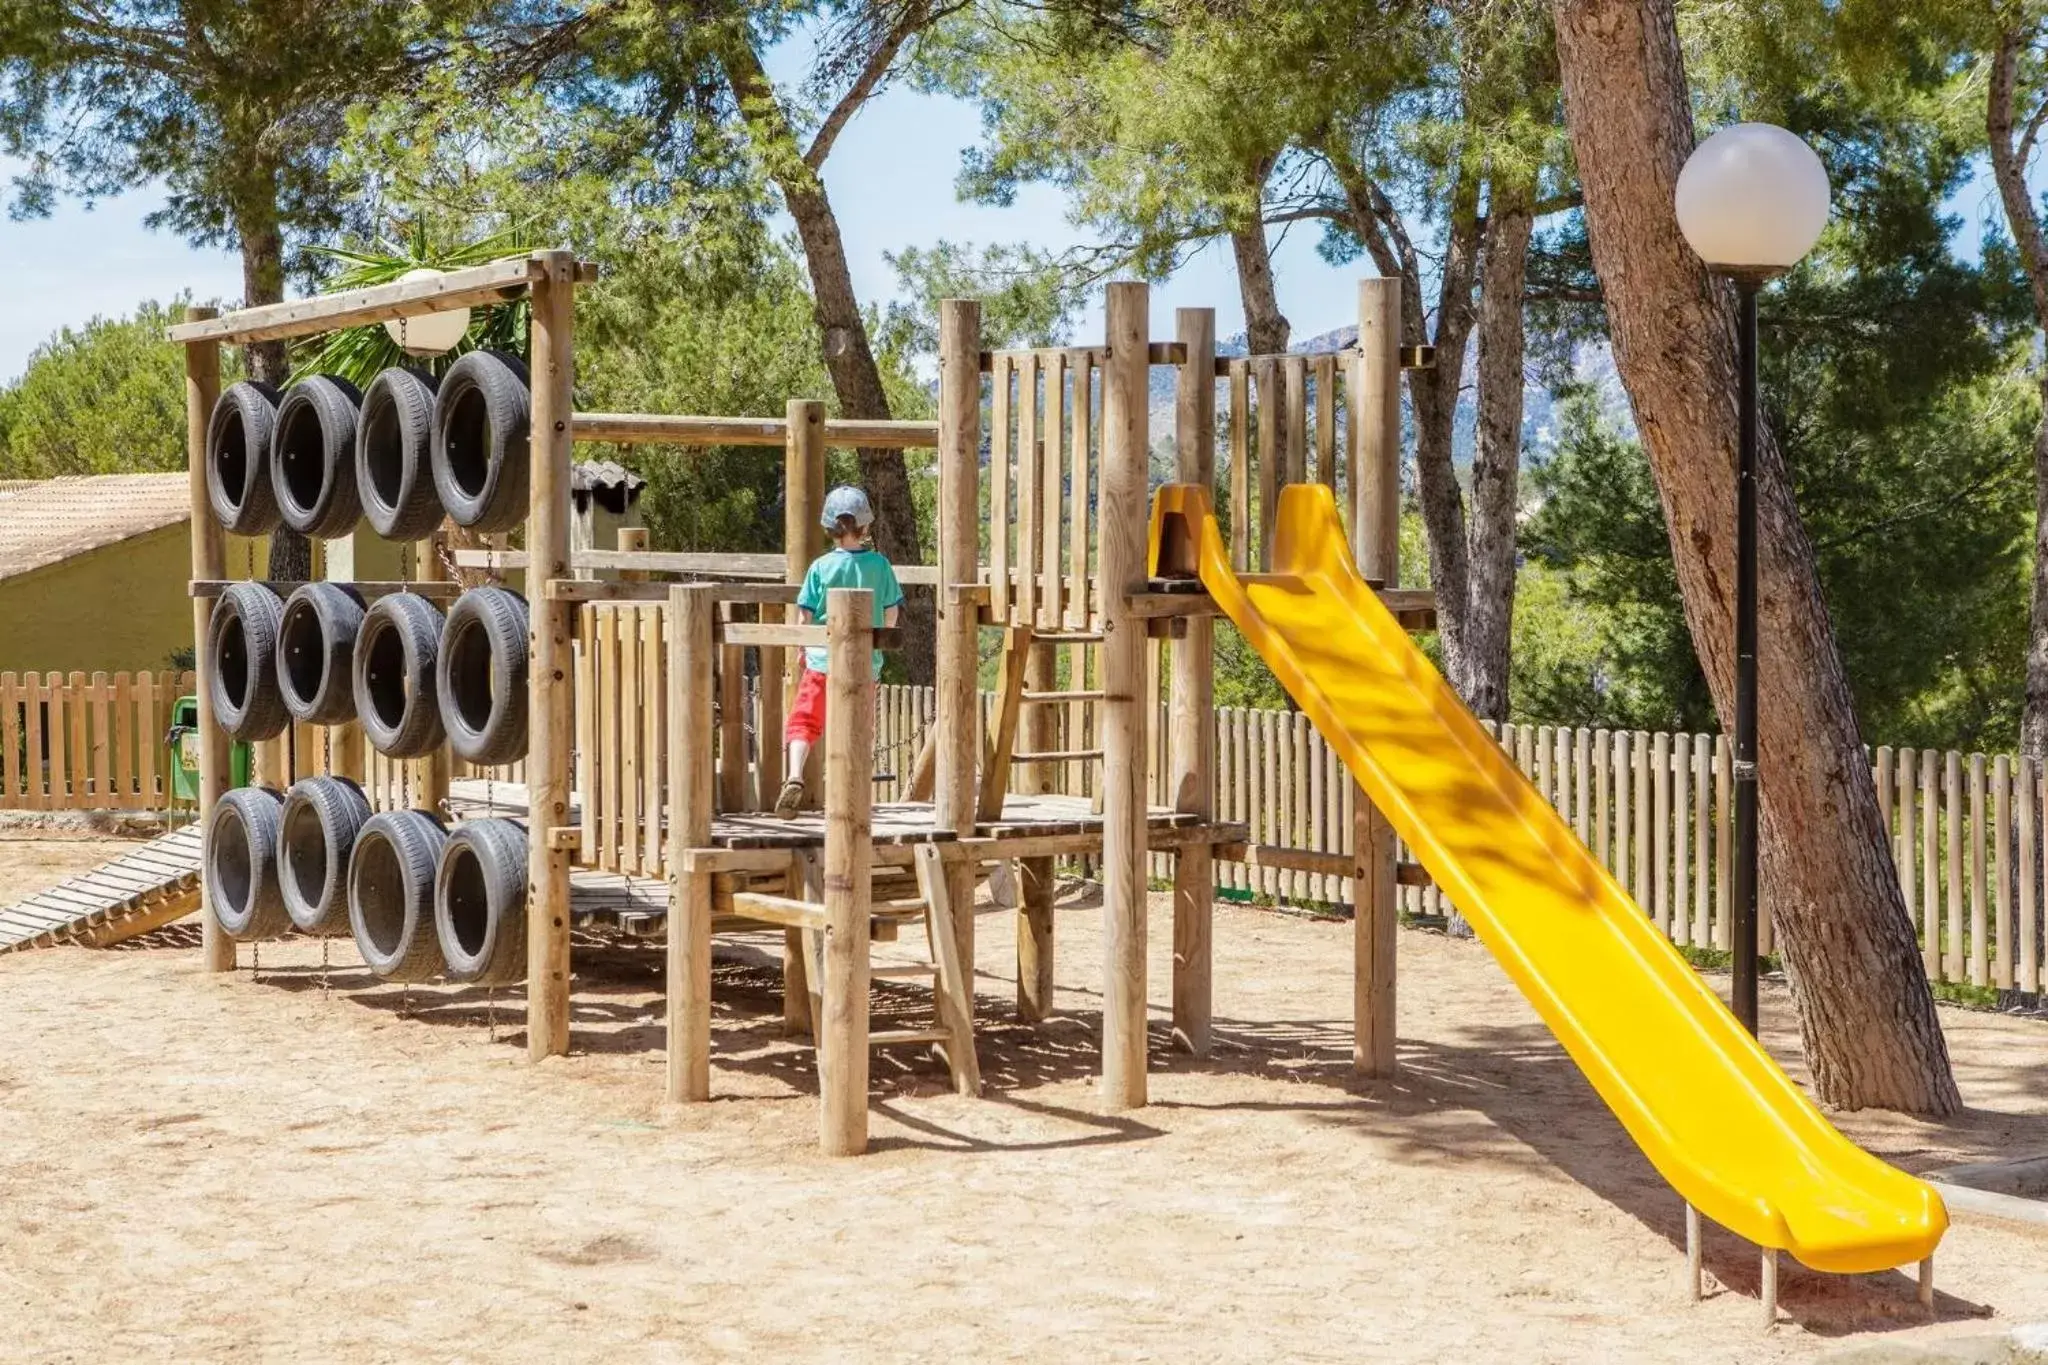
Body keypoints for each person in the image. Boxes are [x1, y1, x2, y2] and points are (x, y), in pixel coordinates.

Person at [776, 485, 903, 817]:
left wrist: (802, 645)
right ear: (865, 527)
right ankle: (853, 792)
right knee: (859, 727)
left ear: (829, 527)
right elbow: (891, 613)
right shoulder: (880, 565)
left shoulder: (820, 567)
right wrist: (882, 640)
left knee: (804, 720)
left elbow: (803, 614)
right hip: (863, 664)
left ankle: (794, 775)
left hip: (822, 660)